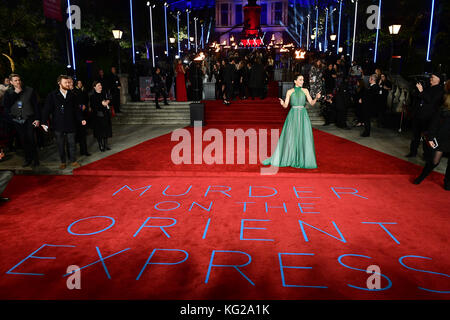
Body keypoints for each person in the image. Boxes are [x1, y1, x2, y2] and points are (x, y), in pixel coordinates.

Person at [262, 74, 321, 169]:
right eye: (300, 80)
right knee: (291, 136)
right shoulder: (290, 91)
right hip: (292, 115)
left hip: (303, 115)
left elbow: (311, 103)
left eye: (303, 80)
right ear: (295, 81)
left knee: (303, 136)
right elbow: (286, 105)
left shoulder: (305, 90)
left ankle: (302, 158)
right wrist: (282, 103)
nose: (302, 81)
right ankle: (290, 157)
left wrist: (316, 98)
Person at [41, 75, 86, 169]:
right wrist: (44, 122)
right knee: (61, 145)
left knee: (72, 144)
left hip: (71, 123)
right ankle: (63, 162)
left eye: (69, 82)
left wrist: (81, 119)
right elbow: (46, 109)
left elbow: (76, 109)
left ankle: (73, 160)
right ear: (59, 83)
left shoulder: (73, 95)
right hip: (58, 124)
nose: (68, 84)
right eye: (65, 82)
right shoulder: (52, 95)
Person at [413, 79, 450, 190]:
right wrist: (430, 137)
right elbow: (435, 122)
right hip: (443, 137)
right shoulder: (445, 102)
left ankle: (447, 182)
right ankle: (421, 176)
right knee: (434, 161)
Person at [2, 74, 41, 167]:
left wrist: (37, 118)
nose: (18, 82)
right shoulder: (8, 93)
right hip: (17, 119)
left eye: (19, 80)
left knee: (31, 138)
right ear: (11, 82)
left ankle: (35, 160)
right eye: (15, 80)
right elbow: (6, 106)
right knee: (23, 140)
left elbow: (36, 106)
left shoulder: (29, 90)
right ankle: (28, 159)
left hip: (29, 118)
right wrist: (16, 93)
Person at [406, 72, 444, 159]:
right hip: (418, 115)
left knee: (426, 137)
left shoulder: (440, 90)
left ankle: (426, 155)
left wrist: (421, 91)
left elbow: (431, 101)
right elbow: (417, 96)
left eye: (433, 77)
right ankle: (413, 152)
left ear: (438, 79)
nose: (431, 78)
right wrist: (417, 90)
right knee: (415, 136)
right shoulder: (427, 87)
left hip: (428, 118)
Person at [90, 81, 112, 152]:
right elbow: (93, 107)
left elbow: (109, 99)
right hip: (98, 116)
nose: (100, 86)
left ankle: (106, 145)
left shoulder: (104, 93)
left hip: (105, 115)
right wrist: (101, 104)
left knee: (106, 130)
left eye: (100, 85)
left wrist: (108, 101)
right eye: (98, 85)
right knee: (99, 132)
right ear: (94, 87)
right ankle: (101, 145)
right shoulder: (92, 96)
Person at [72, 80, 90, 156]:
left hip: (82, 114)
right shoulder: (73, 92)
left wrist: (85, 106)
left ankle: (84, 151)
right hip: (74, 117)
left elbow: (86, 99)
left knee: (83, 134)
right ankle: (73, 154)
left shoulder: (83, 90)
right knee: (75, 136)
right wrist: (79, 106)